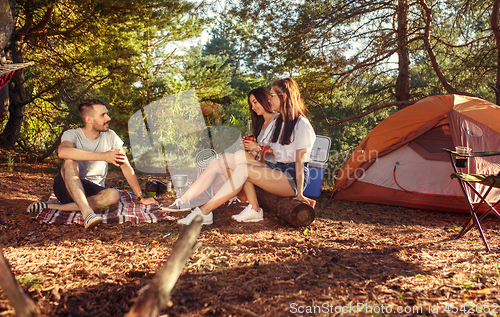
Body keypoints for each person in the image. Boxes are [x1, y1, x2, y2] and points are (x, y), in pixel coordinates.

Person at [177, 77, 316, 225]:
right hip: (276, 169)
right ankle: (254, 209)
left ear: (284, 97)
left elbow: (300, 161)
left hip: (290, 177)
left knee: (244, 170)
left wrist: (300, 193)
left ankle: (204, 211)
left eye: (272, 96)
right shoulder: (281, 123)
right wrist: (258, 148)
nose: (270, 100)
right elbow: (274, 152)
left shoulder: (302, 124)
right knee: (240, 161)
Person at [26, 99, 155, 229]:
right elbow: (63, 152)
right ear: (89, 120)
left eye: (107, 114)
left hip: (93, 191)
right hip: (67, 186)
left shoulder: (111, 136)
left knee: (114, 195)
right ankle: (88, 213)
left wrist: (140, 197)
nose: (108, 118)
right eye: (103, 115)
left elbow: (126, 167)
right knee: (69, 162)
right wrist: (103, 156)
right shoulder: (72, 134)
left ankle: (52, 206)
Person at [162, 87, 278, 220]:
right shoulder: (262, 123)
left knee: (229, 159)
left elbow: (277, 153)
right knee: (216, 161)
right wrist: (252, 148)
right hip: (258, 164)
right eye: (251, 103)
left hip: (269, 169)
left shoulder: (277, 121)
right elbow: (260, 152)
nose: (253, 107)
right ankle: (182, 201)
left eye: (255, 102)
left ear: (265, 100)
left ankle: (242, 198)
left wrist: (256, 147)